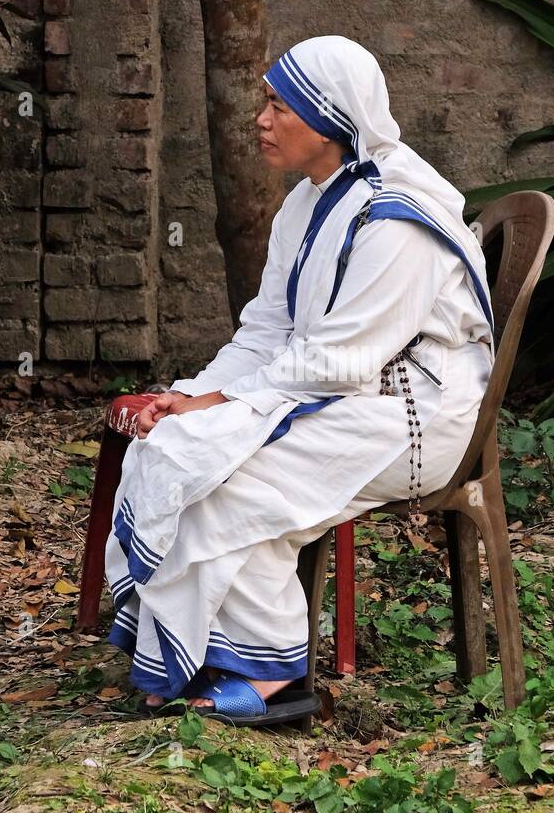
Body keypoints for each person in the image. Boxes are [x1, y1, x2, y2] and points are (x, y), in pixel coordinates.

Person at [104, 35, 494, 723]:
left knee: (232, 478)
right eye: (265, 102)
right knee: (187, 450)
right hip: (346, 394)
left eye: (280, 105)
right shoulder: (308, 202)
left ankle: (272, 674)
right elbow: (267, 332)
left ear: (333, 119)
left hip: (414, 416)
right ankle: (198, 648)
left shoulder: (392, 218)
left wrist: (219, 405)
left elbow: (342, 358)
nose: (261, 118)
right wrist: (193, 396)